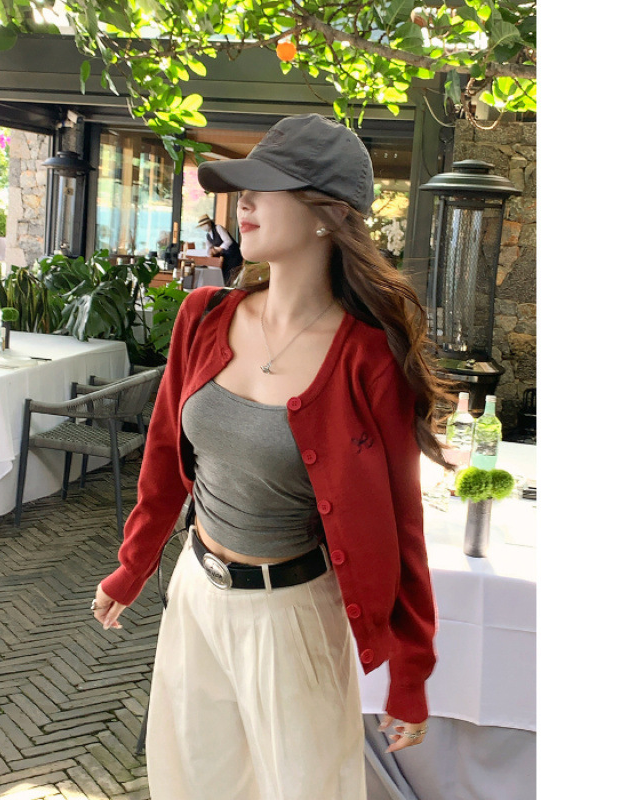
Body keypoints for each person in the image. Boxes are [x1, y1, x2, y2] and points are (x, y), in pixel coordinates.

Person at [92, 113, 452, 800]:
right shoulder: (203, 316)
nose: (245, 201)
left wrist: (411, 672)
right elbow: (165, 457)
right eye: (243, 187)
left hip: (293, 617)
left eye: (267, 186)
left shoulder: (368, 358)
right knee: (193, 784)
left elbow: (401, 523)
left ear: (328, 214)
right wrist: (132, 567)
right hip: (195, 597)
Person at [196, 213, 243, 284]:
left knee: (232, 275)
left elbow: (228, 241)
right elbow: (208, 248)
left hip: (234, 255)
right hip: (225, 257)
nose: (203, 227)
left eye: (204, 224)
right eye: (201, 226)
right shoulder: (208, 235)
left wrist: (218, 250)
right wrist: (210, 254)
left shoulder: (218, 228)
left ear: (209, 223)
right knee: (224, 276)